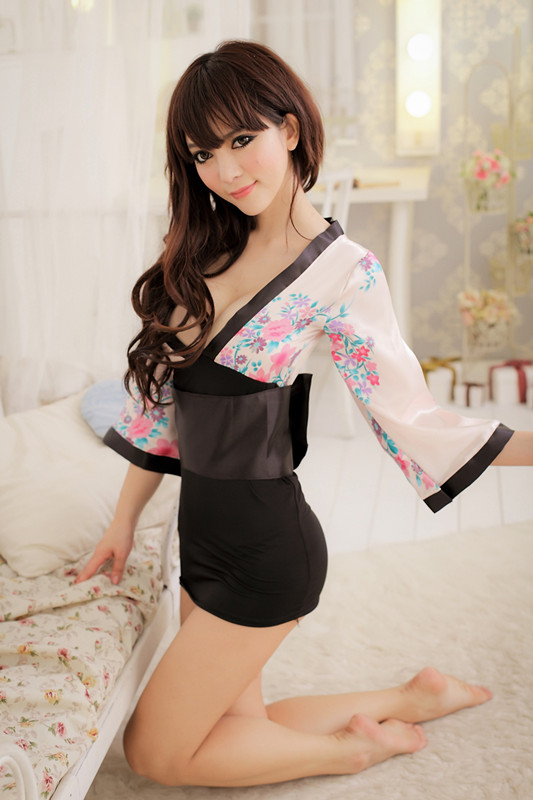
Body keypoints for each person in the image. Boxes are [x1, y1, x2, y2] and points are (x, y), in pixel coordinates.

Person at [75, 40, 533, 788]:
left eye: (241, 140)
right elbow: (161, 410)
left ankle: (358, 749)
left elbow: (411, 417)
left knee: (154, 752)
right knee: (230, 730)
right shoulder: (203, 256)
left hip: (268, 549)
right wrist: (122, 522)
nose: (225, 170)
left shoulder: (344, 273)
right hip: (201, 538)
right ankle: (411, 697)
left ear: (288, 129)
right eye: (203, 154)